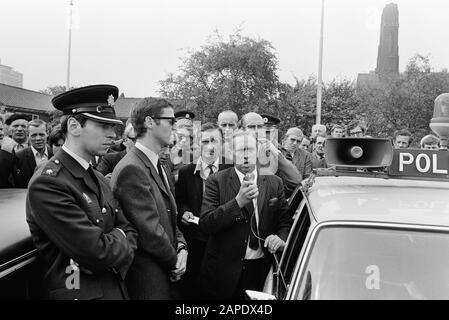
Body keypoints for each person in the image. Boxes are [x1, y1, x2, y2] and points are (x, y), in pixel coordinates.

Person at [26, 84, 138, 300]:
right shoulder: (49, 183)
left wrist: (117, 237)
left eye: (113, 127)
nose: (112, 134)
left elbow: (130, 230)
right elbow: (97, 253)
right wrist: (120, 237)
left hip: (113, 289)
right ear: (75, 126)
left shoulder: (96, 176)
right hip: (78, 290)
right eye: (103, 126)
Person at [199, 130, 292, 299]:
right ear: (231, 153)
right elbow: (206, 224)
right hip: (223, 274)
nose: (246, 155)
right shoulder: (216, 181)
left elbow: (284, 221)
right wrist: (238, 202)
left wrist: (280, 237)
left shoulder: (274, 182)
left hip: (261, 269)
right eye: (241, 150)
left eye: (250, 149)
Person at [111, 97, 187, 300]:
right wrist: (175, 262)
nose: (175, 126)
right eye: (170, 120)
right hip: (148, 281)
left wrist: (181, 247)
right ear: (149, 122)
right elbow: (149, 231)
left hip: (163, 273)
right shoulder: (132, 168)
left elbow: (171, 215)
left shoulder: (157, 163)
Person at [176, 122, 232, 299]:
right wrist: (184, 212)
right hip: (195, 239)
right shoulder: (187, 171)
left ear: (222, 143)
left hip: (221, 240)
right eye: (205, 141)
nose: (210, 146)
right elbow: (180, 200)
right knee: (193, 288)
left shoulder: (230, 169)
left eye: (214, 141)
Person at [240, 112, 301, 198]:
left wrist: (275, 153)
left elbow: (296, 180)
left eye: (270, 129)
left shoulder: (279, 154)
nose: (265, 132)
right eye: (263, 128)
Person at [13, 119, 53, 188]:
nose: (38, 138)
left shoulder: (55, 154)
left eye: (41, 134)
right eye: (34, 135)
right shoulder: (18, 157)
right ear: (28, 136)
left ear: (47, 133)